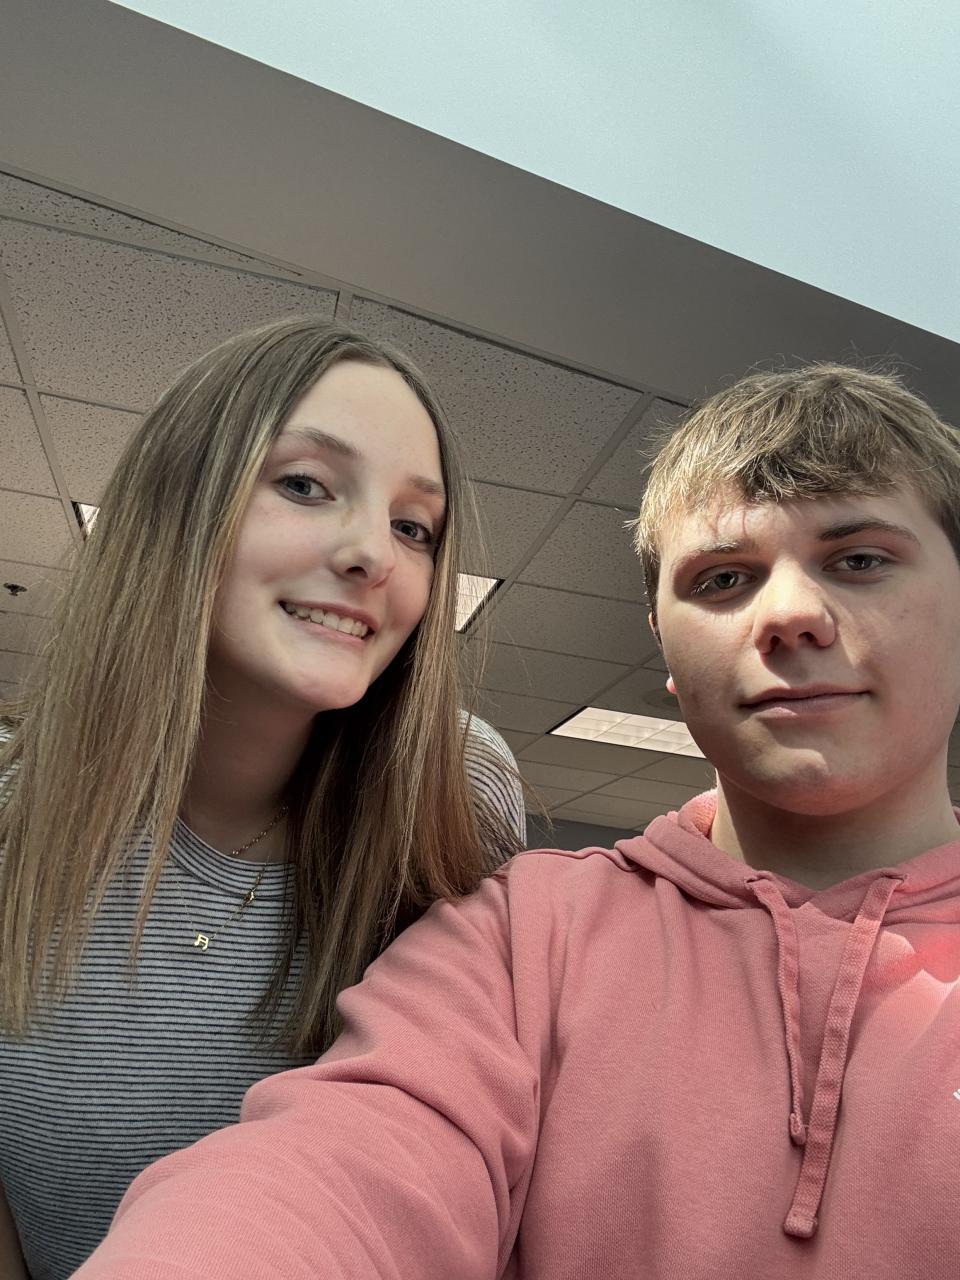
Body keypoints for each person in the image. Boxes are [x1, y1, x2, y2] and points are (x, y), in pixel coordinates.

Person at [74, 363, 960, 1280]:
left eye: (860, 560)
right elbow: (340, 1165)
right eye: (723, 578)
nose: (790, 614)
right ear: (664, 648)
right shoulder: (521, 934)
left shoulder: (464, 778)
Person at [0, 317, 525, 1280]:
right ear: (177, 505)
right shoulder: (11, 812)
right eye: (306, 485)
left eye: (414, 527)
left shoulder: (459, 786)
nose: (374, 554)